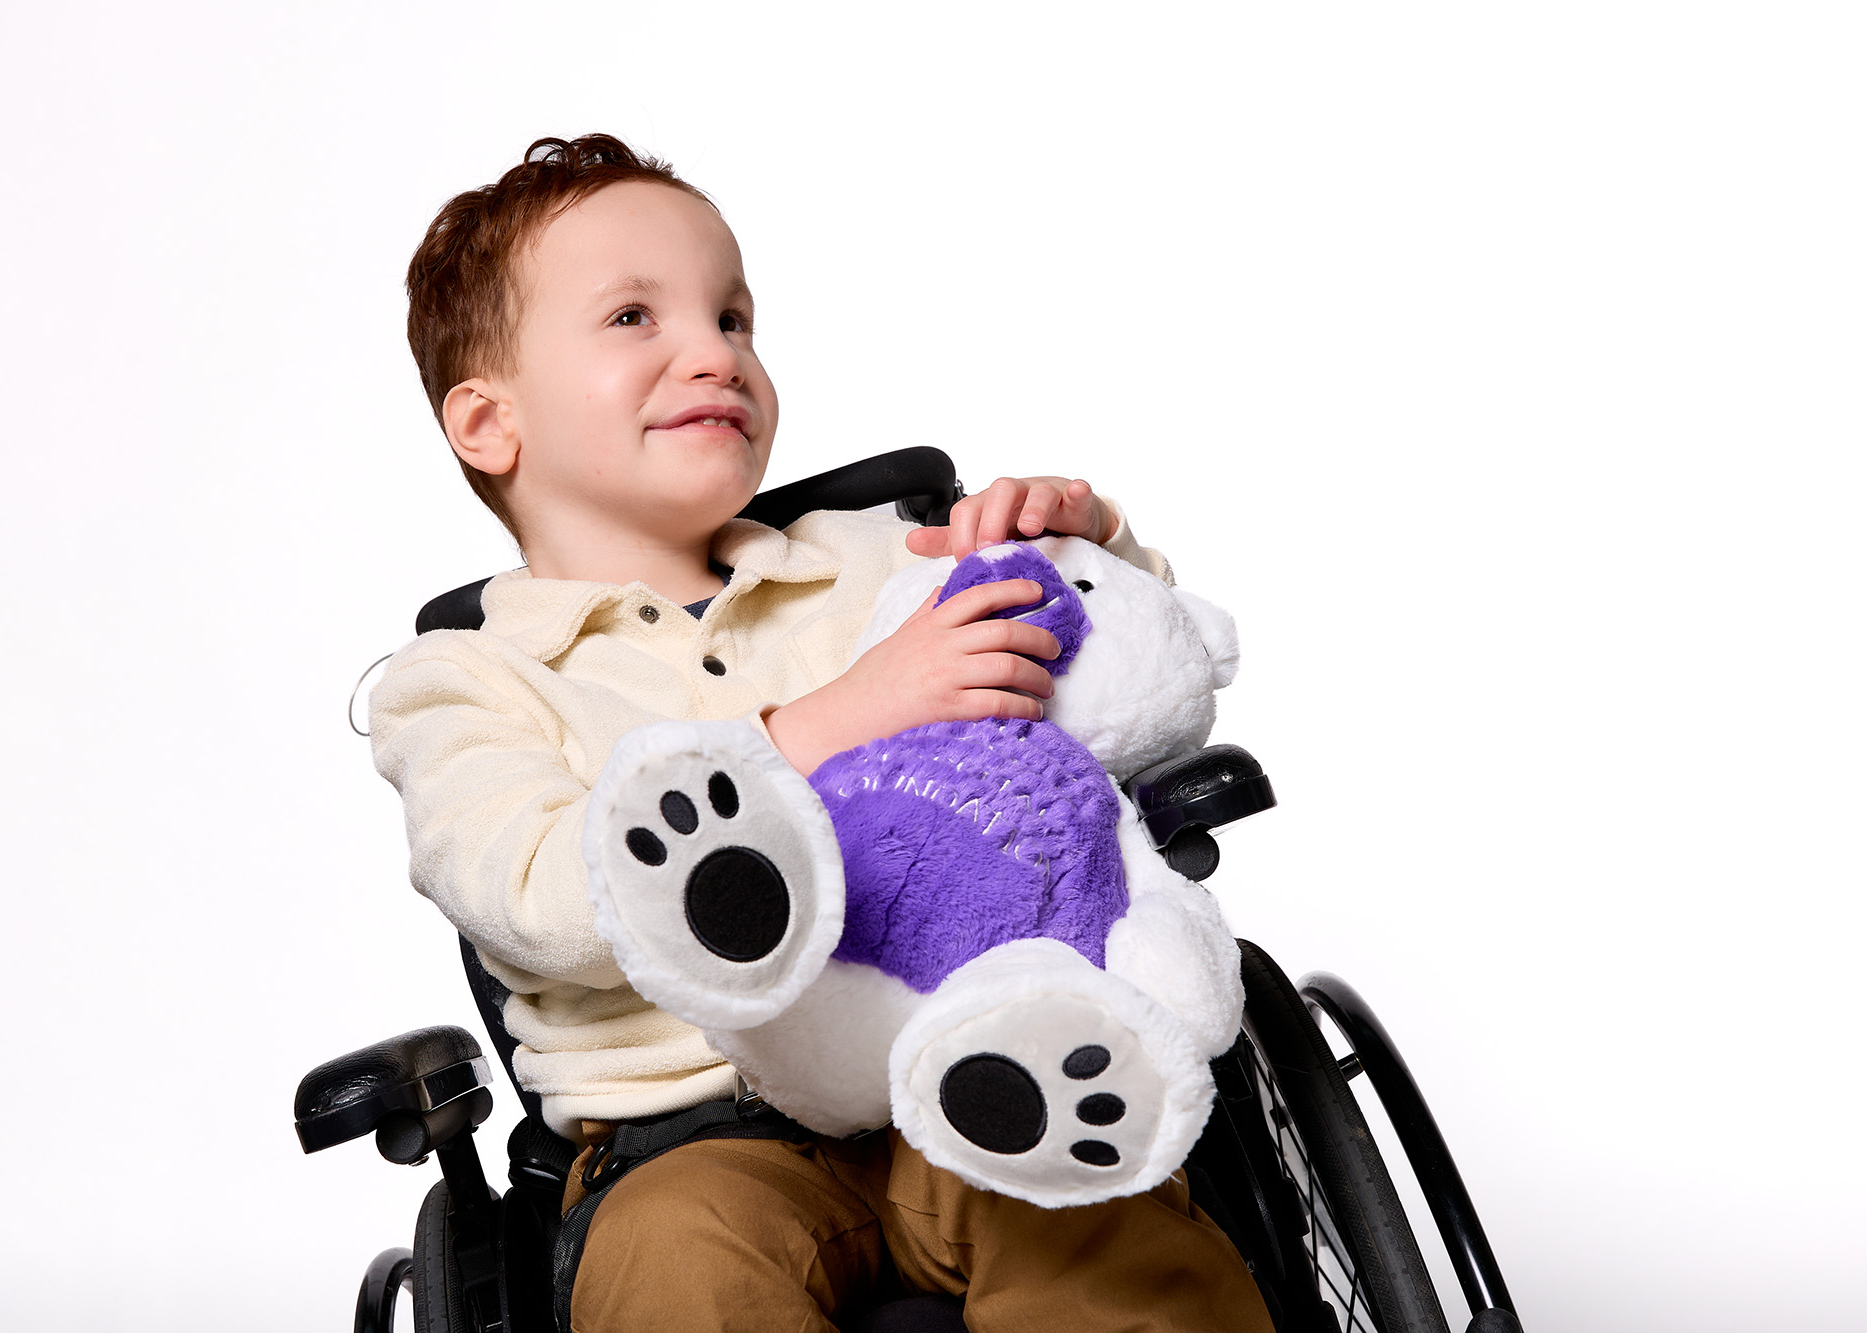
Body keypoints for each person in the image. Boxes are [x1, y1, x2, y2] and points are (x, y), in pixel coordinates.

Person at [371, 134, 1271, 1332]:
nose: (715, 351)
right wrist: (841, 719)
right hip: (683, 1145)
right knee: (679, 1264)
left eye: (733, 316)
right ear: (488, 422)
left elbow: (1114, 676)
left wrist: (1081, 545)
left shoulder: (869, 559)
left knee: (1085, 1203)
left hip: (968, 1061)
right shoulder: (465, 681)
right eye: (635, 317)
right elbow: (532, 894)